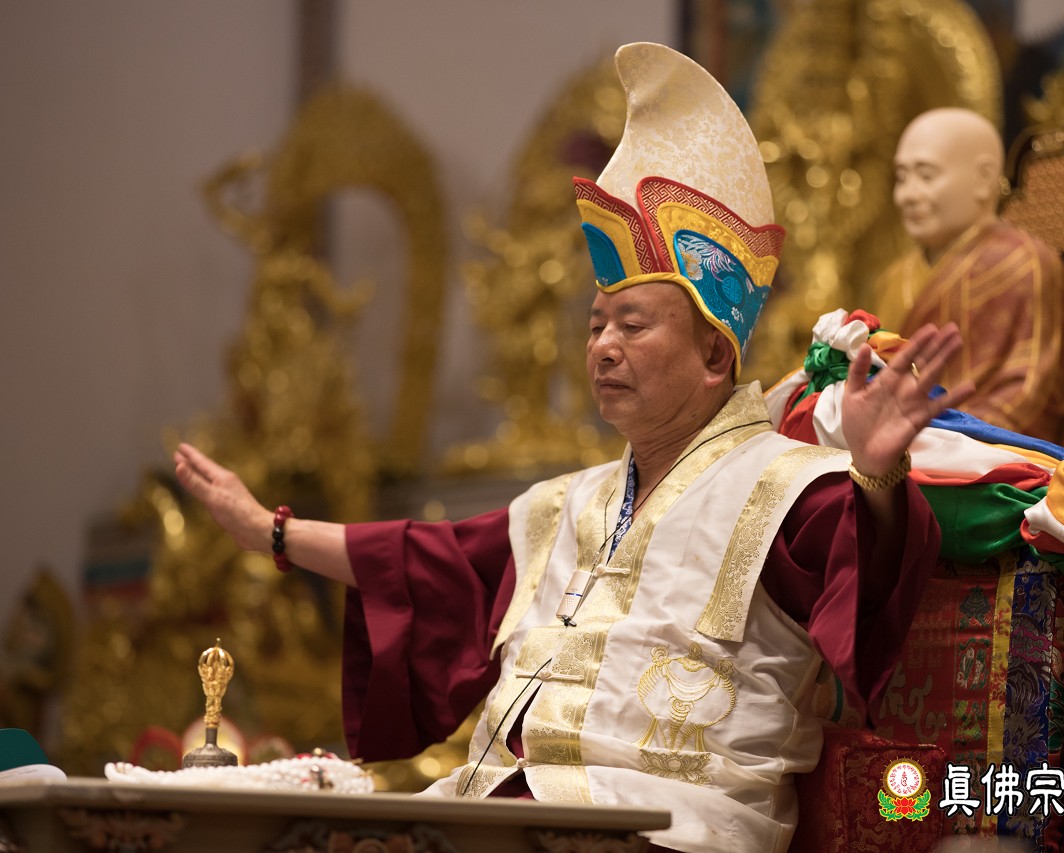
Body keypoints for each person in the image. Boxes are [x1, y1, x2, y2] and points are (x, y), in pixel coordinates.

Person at [173, 43, 972, 853]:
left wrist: (877, 472)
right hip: (501, 807)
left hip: (672, 825)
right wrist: (271, 532)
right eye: (595, 326)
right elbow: (426, 561)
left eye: (632, 324)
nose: (603, 347)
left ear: (713, 353)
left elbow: (870, 571)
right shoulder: (568, 503)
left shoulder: (789, 486)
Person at [872, 108, 1064, 445]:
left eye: (926, 176)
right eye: (901, 177)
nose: (907, 194)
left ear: (983, 179)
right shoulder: (894, 278)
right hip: (898, 443)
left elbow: (1030, 392)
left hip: (984, 450)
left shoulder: (1025, 263)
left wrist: (941, 433)